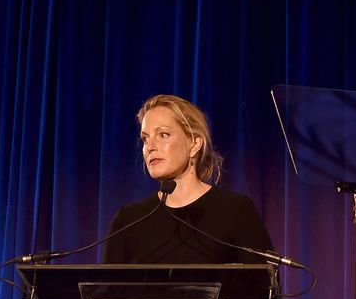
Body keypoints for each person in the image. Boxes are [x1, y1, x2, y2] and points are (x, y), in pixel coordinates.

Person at [103, 94, 275, 265]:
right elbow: (104, 291)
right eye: (145, 138)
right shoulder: (128, 221)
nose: (150, 147)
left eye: (163, 134)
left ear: (194, 144)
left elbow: (265, 287)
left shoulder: (235, 211)